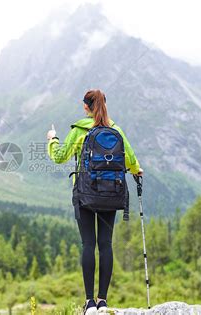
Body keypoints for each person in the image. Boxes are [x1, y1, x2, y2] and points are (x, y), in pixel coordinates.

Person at [46, 89, 143, 314]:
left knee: (88, 244)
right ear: (105, 105)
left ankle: (89, 303)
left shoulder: (79, 130)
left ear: (85, 107)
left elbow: (59, 157)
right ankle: (103, 301)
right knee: (106, 244)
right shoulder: (115, 130)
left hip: (85, 194)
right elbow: (130, 160)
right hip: (111, 193)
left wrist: (53, 140)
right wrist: (137, 170)